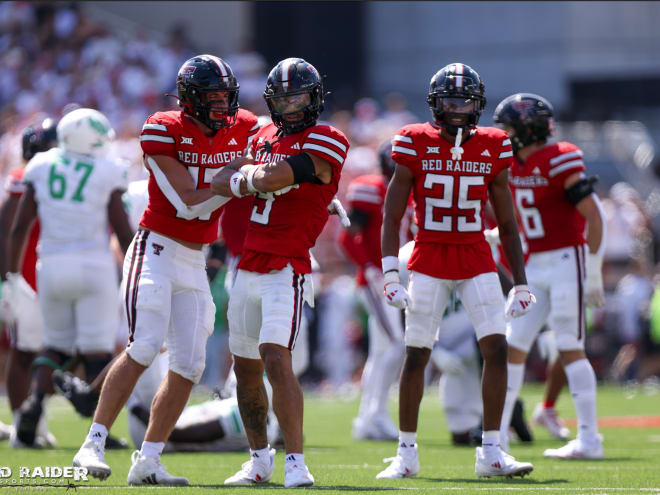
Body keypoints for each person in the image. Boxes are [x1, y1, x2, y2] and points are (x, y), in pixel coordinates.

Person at [72, 54, 259, 486]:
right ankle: (93, 443)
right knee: (144, 345)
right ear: (190, 99)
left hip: (195, 259)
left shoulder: (244, 124)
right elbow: (186, 201)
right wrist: (241, 178)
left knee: (190, 366)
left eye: (225, 95)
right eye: (211, 95)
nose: (221, 104)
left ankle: (149, 461)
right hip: (155, 249)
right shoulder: (163, 127)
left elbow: (278, 151)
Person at [376, 62, 535, 480]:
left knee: (496, 348)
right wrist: (390, 272)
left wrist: (520, 282)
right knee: (417, 355)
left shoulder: (495, 145)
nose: (458, 109)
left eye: (465, 101)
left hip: (476, 255)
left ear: (478, 104)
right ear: (435, 103)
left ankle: (491, 451)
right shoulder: (413, 142)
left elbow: (508, 221)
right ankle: (406, 453)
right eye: (450, 100)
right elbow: (392, 216)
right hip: (429, 256)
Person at [210, 57, 350, 488]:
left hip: (287, 265)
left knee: (276, 357)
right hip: (247, 263)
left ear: (315, 97)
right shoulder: (262, 134)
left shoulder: (328, 138)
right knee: (245, 369)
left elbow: (279, 176)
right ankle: (258, 460)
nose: (291, 106)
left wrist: (250, 177)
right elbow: (221, 178)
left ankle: (296, 462)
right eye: (283, 98)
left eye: (299, 97)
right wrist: (256, 176)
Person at [5, 108, 133, 448]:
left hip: (53, 265)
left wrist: (13, 275)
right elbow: (122, 229)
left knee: (55, 344)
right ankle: (97, 433)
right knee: (96, 352)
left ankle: (31, 411)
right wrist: (137, 268)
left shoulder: (40, 166)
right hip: (93, 265)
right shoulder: (107, 170)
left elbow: (19, 228)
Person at [493, 93, 606, 459]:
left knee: (569, 345)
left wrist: (592, 273)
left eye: (509, 128)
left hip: (564, 258)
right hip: (534, 262)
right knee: (513, 346)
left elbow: (594, 215)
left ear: (528, 129)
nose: (505, 134)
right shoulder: (512, 163)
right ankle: (500, 436)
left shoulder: (559, 158)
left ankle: (590, 439)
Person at [338, 142, 405, 441]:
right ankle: (375, 415)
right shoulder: (372, 188)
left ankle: (368, 419)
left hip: (401, 279)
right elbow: (347, 236)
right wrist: (368, 266)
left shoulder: (412, 192)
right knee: (396, 346)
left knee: (380, 353)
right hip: (378, 281)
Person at [0, 118, 57, 447]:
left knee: (42, 352)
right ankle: (24, 422)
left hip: (45, 276)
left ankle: (32, 418)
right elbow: (6, 227)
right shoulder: (24, 176)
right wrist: (9, 278)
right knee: (23, 352)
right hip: (26, 278)